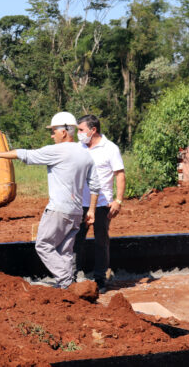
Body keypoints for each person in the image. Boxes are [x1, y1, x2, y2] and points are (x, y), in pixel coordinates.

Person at [0, 112, 100, 289]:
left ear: (65, 132)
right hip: (76, 211)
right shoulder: (85, 154)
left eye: (53, 131)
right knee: (65, 251)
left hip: (58, 210)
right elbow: (95, 185)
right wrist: (91, 210)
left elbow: (25, 154)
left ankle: (67, 282)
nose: (52, 135)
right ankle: (68, 288)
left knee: (43, 245)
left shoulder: (56, 151)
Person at [73, 114, 125, 292]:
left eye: (81, 130)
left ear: (93, 130)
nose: (78, 133)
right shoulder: (78, 148)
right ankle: (74, 275)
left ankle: (100, 279)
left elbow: (120, 175)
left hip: (103, 204)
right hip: (80, 204)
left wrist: (118, 200)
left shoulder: (110, 148)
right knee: (76, 239)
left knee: (101, 241)